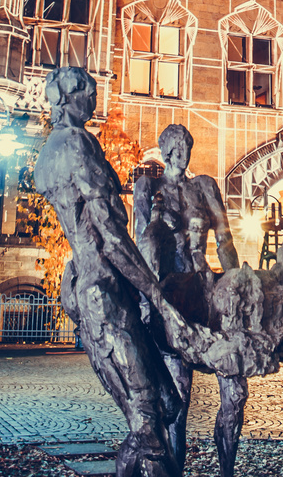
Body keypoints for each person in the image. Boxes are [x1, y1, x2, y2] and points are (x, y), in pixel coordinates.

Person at [35, 69, 200, 477]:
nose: (93, 98)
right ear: (70, 97)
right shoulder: (76, 147)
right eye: (88, 92)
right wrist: (156, 296)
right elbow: (111, 237)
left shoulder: (56, 147)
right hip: (103, 289)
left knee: (168, 404)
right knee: (149, 425)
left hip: (91, 282)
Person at [134, 123, 247, 477]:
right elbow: (143, 246)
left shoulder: (204, 187)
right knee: (177, 399)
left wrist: (236, 283)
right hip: (170, 297)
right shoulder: (148, 188)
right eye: (176, 147)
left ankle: (227, 468)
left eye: (187, 146)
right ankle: (173, 470)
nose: (182, 153)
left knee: (235, 390)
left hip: (205, 289)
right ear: (165, 151)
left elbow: (225, 241)